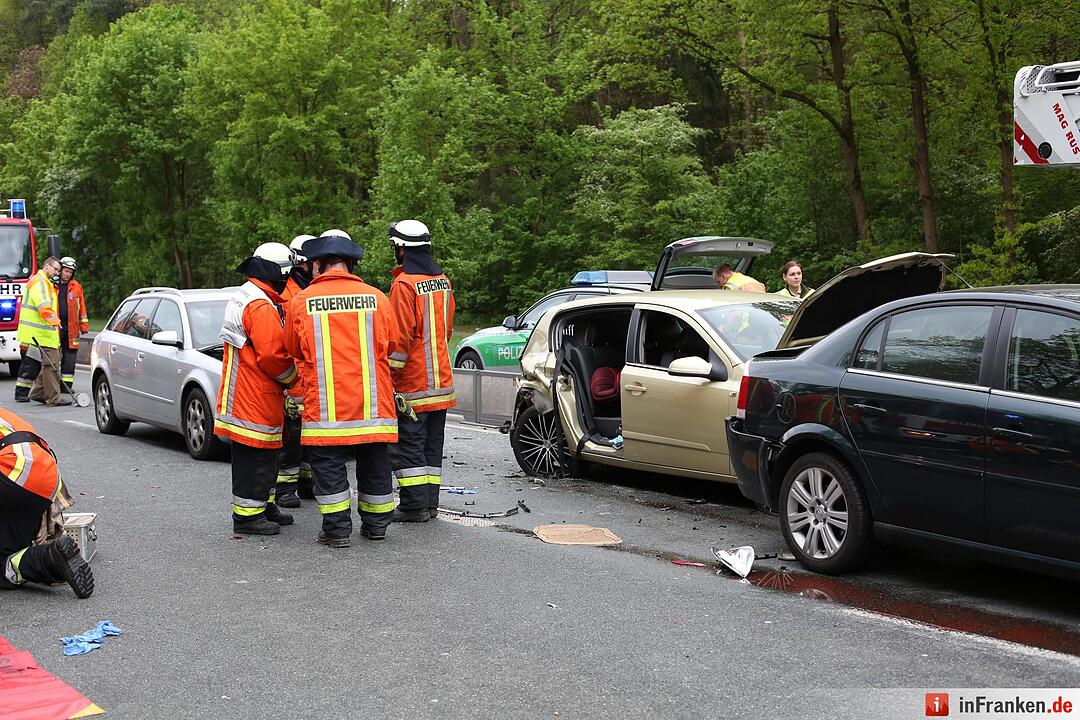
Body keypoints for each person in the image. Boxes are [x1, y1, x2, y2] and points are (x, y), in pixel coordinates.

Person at [283, 229, 399, 548]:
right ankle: (376, 526)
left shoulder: (300, 301)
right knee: (375, 463)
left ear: (317, 265)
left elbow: (291, 347)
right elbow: (391, 345)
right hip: (374, 406)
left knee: (328, 465)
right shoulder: (377, 298)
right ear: (351, 264)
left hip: (326, 408)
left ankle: (336, 530)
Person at [216, 243, 298, 536]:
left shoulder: (249, 295)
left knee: (267, 455)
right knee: (255, 458)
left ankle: (264, 505)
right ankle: (248, 517)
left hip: (247, 392)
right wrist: (295, 380)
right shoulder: (260, 306)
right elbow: (274, 357)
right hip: (255, 394)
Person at [386, 220, 456, 522]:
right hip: (441, 382)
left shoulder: (403, 285)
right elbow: (448, 329)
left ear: (402, 250)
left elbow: (400, 339)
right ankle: (429, 504)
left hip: (414, 385)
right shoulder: (443, 281)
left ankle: (414, 505)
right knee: (431, 449)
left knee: (408, 447)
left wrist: (389, 377)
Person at [0, 407, 94, 598]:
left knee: (2, 570)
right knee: (10, 556)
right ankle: (51, 556)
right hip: (44, 478)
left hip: (11, 473)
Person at [275, 234, 316, 509]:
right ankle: (285, 489)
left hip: (313, 376)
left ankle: (308, 482)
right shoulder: (284, 292)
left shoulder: (316, 290)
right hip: (293, 376)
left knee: (312, 437)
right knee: (291, 438)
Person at [16, 256, 69, 407]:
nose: (56, 273)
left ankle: (38, 393)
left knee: (47, 364)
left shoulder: (44, 282)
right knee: (52, 364)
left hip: (41, 333)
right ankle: (53, 398)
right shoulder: (39, 281)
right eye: (56, 269)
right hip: (40, 333)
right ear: (47, 266)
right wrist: (55, 321)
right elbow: (43, 305)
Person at [57, 257, 90, 392]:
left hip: (72, 330)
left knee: (70, 359)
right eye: (66, 271)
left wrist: (84, 326)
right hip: (56, 329)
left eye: (70, 272)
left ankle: (66, 387)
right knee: (52, 359)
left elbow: (82, 307)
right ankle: (50, 387)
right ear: (60, 271)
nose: (68, 274)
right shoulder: (52, 285)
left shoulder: (76, 287)